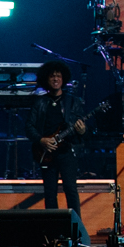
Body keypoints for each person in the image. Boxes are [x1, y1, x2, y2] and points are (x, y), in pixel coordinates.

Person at [27, 62, 86, 235]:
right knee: (50, 193)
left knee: (71, 191)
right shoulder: (40, 103)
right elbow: (29, 126)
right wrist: (41, 140)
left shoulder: (72, 102)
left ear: (63, 79)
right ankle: (53, 233)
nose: (55, 79)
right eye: (52, 75)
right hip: (46, 154)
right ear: (47, 79)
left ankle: (77, 232)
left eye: (58, 76)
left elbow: (82, 130)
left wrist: (82, 131)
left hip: (66, 152)